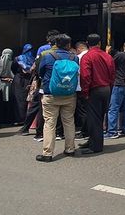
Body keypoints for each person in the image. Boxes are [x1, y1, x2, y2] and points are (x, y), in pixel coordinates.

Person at [35, 34, 79, 162]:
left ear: (55, 44)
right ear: (69, 45)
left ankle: (47, 153)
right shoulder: (74, 58)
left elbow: (40, 72)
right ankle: (70, 149)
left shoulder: (46, 55)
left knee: (49, 123)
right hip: (69, 93)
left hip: (50, 94)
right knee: (69, 121)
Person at [78, 34, 115, 155]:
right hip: (106, 89)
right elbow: (112, 73)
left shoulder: (87, 56)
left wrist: (85, 91)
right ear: (99, 43)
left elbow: (85, 76)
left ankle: (96, 146)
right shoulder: (107, 56)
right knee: (99, 117)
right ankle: (93, 141)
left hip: (94, 89)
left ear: (87, 43)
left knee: (93, 118)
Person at [106, 39, 125, 139]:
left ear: (124, 45)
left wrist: (107, 53)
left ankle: (112, 131)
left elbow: (109, 64)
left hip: (119, 83)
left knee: (114, 108)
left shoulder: (120, 55)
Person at [13, 44, 35, 125]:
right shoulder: (34, 59)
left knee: (19, 99)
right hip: (30, 80)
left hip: (19, 80)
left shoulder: (18, 58)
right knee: (29, 99)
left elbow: (13, 68)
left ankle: (20, 119)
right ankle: (28, 119)